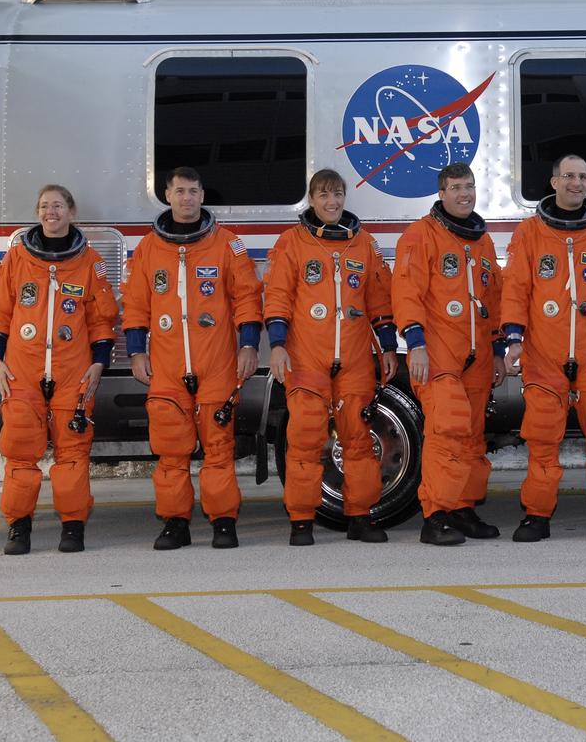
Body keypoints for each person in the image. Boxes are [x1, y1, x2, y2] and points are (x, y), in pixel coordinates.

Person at [122, 167, 263, 550]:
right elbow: (135, 304)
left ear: (203, 196)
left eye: (193, 191)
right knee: (171, 451)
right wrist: (136, 352)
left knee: (218, 449)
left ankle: (222, 521)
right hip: (167, 367)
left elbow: (248, 299)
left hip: (216, 362)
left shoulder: (227, 245)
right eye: (179, 191)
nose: (186, 198)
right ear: (167, 196)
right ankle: (175, 523)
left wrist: (249, 346)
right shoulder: (148, 248)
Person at [501, 155, 586, 542]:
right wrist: (514, 339)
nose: (576, 183)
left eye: (583, 177)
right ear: (554, 182)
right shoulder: (529, 233)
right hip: (545, 355)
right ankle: (537, 515)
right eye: (569, 176)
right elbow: (515, 289)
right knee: (543, 439)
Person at [265, 169, 398, 546]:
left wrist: (388, 347)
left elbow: (380, 301)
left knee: (358, 439)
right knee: (306, 438)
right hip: (306, 357)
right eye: (324, 196)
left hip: (354, 359)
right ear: (311, 199)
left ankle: (361, 517)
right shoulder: (292, 243)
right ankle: (302, 520)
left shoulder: (364, 245)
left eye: (338, 194)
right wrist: (277, 345)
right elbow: (277, 298)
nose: (332, 202)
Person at [0, 185, 118, 555]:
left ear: (71, 212)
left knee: (73, 452)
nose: (50, 212)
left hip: (72, 371)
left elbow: (102, 319)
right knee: (20, 450)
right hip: (21, 371)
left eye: (57, 206)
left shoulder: (90, 262)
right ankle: (19, 527)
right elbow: (0, 310)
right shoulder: (16, 258)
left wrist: (98, 362)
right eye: (44, 206)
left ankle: (73, 527)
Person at [392, 163, 507, 545]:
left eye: (470, 186)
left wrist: (499, 349)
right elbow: (406, 292)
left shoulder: (482, 241)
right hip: (438, 351)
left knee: (473, 436)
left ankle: (462, 509)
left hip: (477, 355)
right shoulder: (420, 236)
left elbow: (493, 298)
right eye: (456, 187)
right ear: (441, 193)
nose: (465, 194)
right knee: (446, 430)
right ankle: (435, 515)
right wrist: (416, 344)